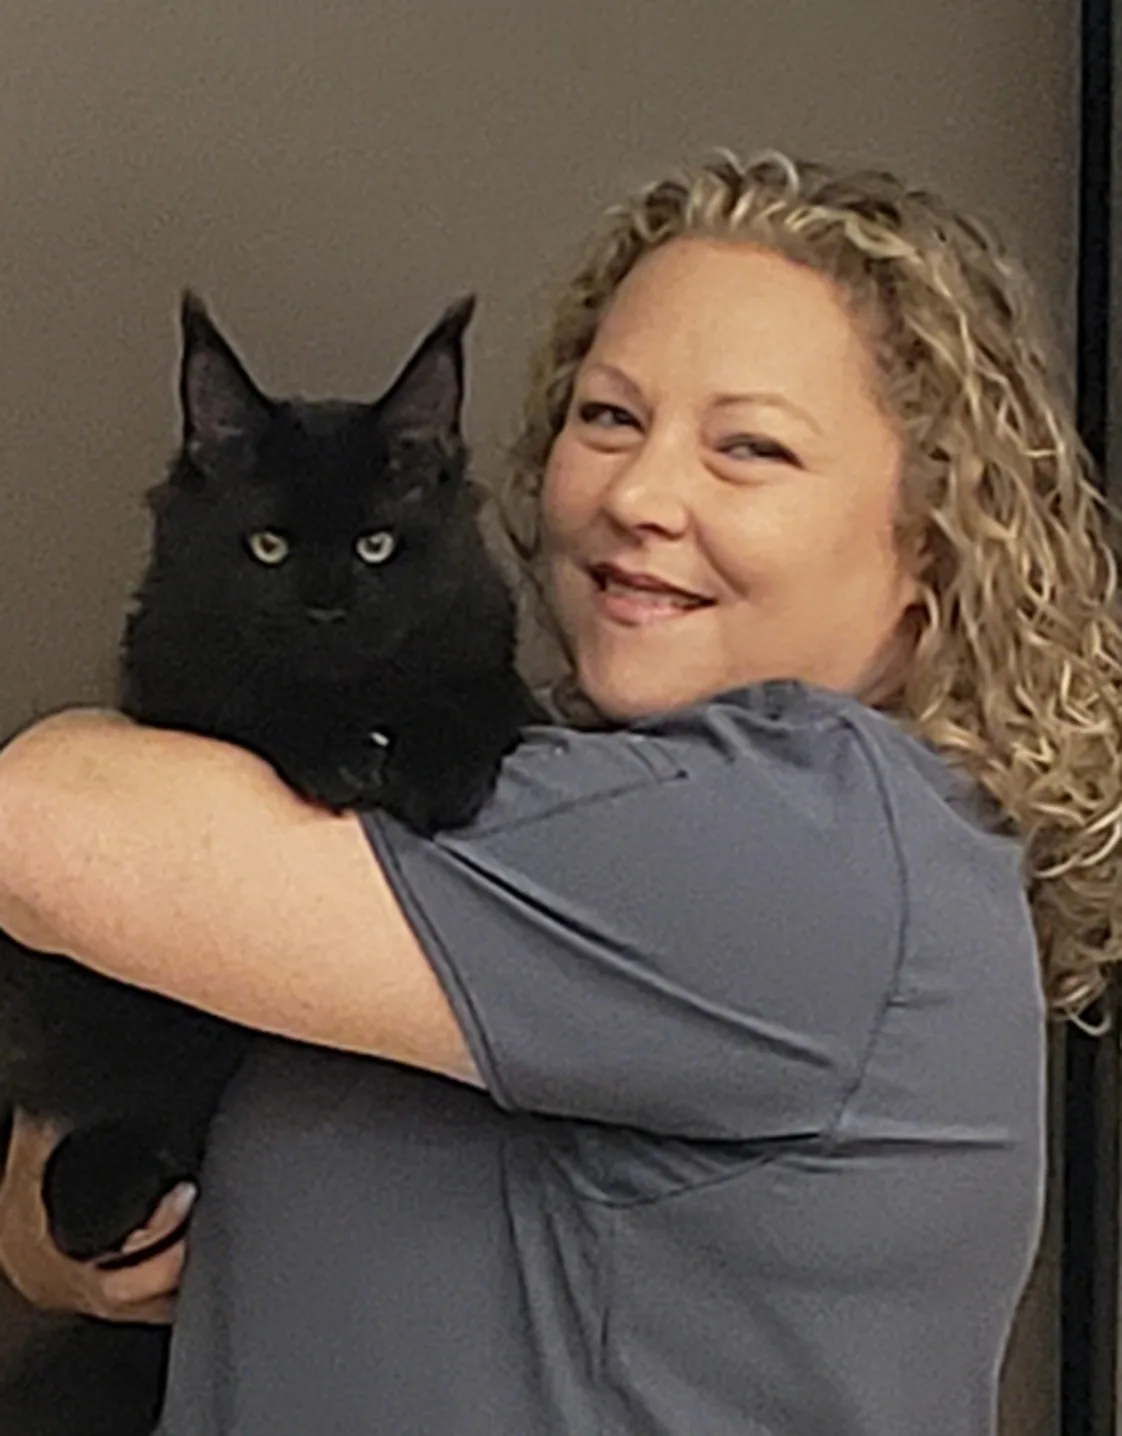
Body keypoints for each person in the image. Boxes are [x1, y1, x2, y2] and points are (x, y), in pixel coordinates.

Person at [0, 149, 1118, 1436]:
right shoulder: (560, 838)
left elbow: (45, 825)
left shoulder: (816, 837)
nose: (641, 494)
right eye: (610, 417)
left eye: (750, 447)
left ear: (932, 538)